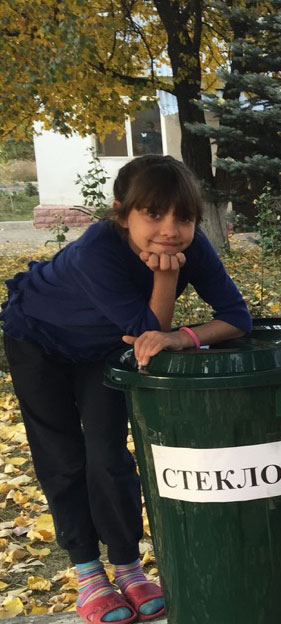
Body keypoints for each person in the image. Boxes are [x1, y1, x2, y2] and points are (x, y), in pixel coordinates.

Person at [1, 155, 252, 623]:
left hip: (103, 349)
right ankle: (88, 572)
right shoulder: (98, 248)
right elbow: (146, 330)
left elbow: (235, 319)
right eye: (153, 214)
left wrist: (182, 337)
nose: (171, 230)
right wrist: (167, 276)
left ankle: (128, 566)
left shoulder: (190, 244)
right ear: (122, 214)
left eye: (185, 217)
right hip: (38, 337)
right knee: (62, 457)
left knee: (108, 454)